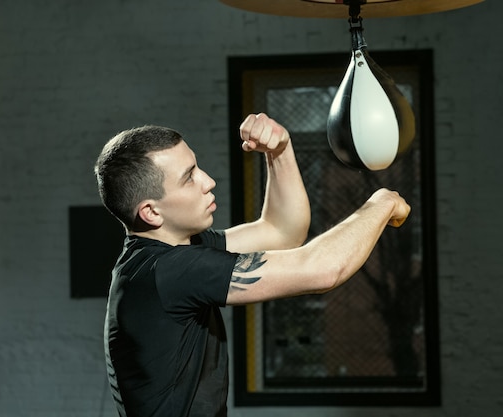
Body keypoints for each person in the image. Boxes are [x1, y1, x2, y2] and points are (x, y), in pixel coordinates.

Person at [94, 113, 410, 417]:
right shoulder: (169, 271)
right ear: (151, 213)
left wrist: (280, 151)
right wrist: (381, 203)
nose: (207, 181)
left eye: (197, 167)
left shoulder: (171, 253)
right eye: (189, 177)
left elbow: (281, 231)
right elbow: (324, 269)